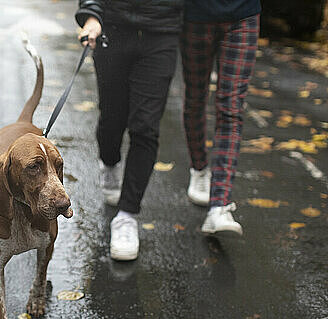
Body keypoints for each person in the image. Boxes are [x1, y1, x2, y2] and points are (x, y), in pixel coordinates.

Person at [75, 0, 183, 260]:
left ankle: (126, 217)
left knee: (145, 127)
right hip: (113, 28)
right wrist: (92, 15)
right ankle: (109, 164)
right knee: (112, 120)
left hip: (161, 33)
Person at [181, 0, 261, 235]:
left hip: (243, 15)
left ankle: (219, 206)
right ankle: (199, 169)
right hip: (195, 15)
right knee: (196, 99)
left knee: (231, 107)